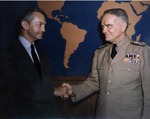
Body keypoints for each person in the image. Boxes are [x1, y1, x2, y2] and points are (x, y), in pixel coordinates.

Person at [62, 8, 150, 119]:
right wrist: (73, 91)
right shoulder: (100, 53)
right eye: (103, 27)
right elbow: (94, 82)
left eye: (108, 26)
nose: (104, 30)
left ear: (123, 26)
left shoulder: (142, 51)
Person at [0, 7, 66, 118]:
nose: (44, 29)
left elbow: (43, 84)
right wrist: (54, 91)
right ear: (25, 25)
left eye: (44, 25)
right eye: (40, 24)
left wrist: (61, 91)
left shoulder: (42, 53)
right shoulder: (7, 54)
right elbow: (17, 88)